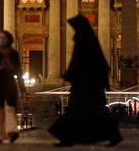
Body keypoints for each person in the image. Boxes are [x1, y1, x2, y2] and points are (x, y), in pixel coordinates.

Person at [49, 14, 122, 147]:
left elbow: (76, 61)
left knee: (78, 111)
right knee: (94, 112)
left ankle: (68, 138)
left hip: (85, 84)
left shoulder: (83, 41)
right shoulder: (89, 40)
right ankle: (69, 138)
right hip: (90, 84)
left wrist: (67, 76)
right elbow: (101, 64)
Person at [0, 30, 25, 144]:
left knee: (10, 109)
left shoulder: (13, 53)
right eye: (0, 38)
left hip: (9, 84)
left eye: (4, 37)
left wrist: (22, 87)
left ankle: (12, 131)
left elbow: (19, 71)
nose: (2, 40)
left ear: (9, 39)